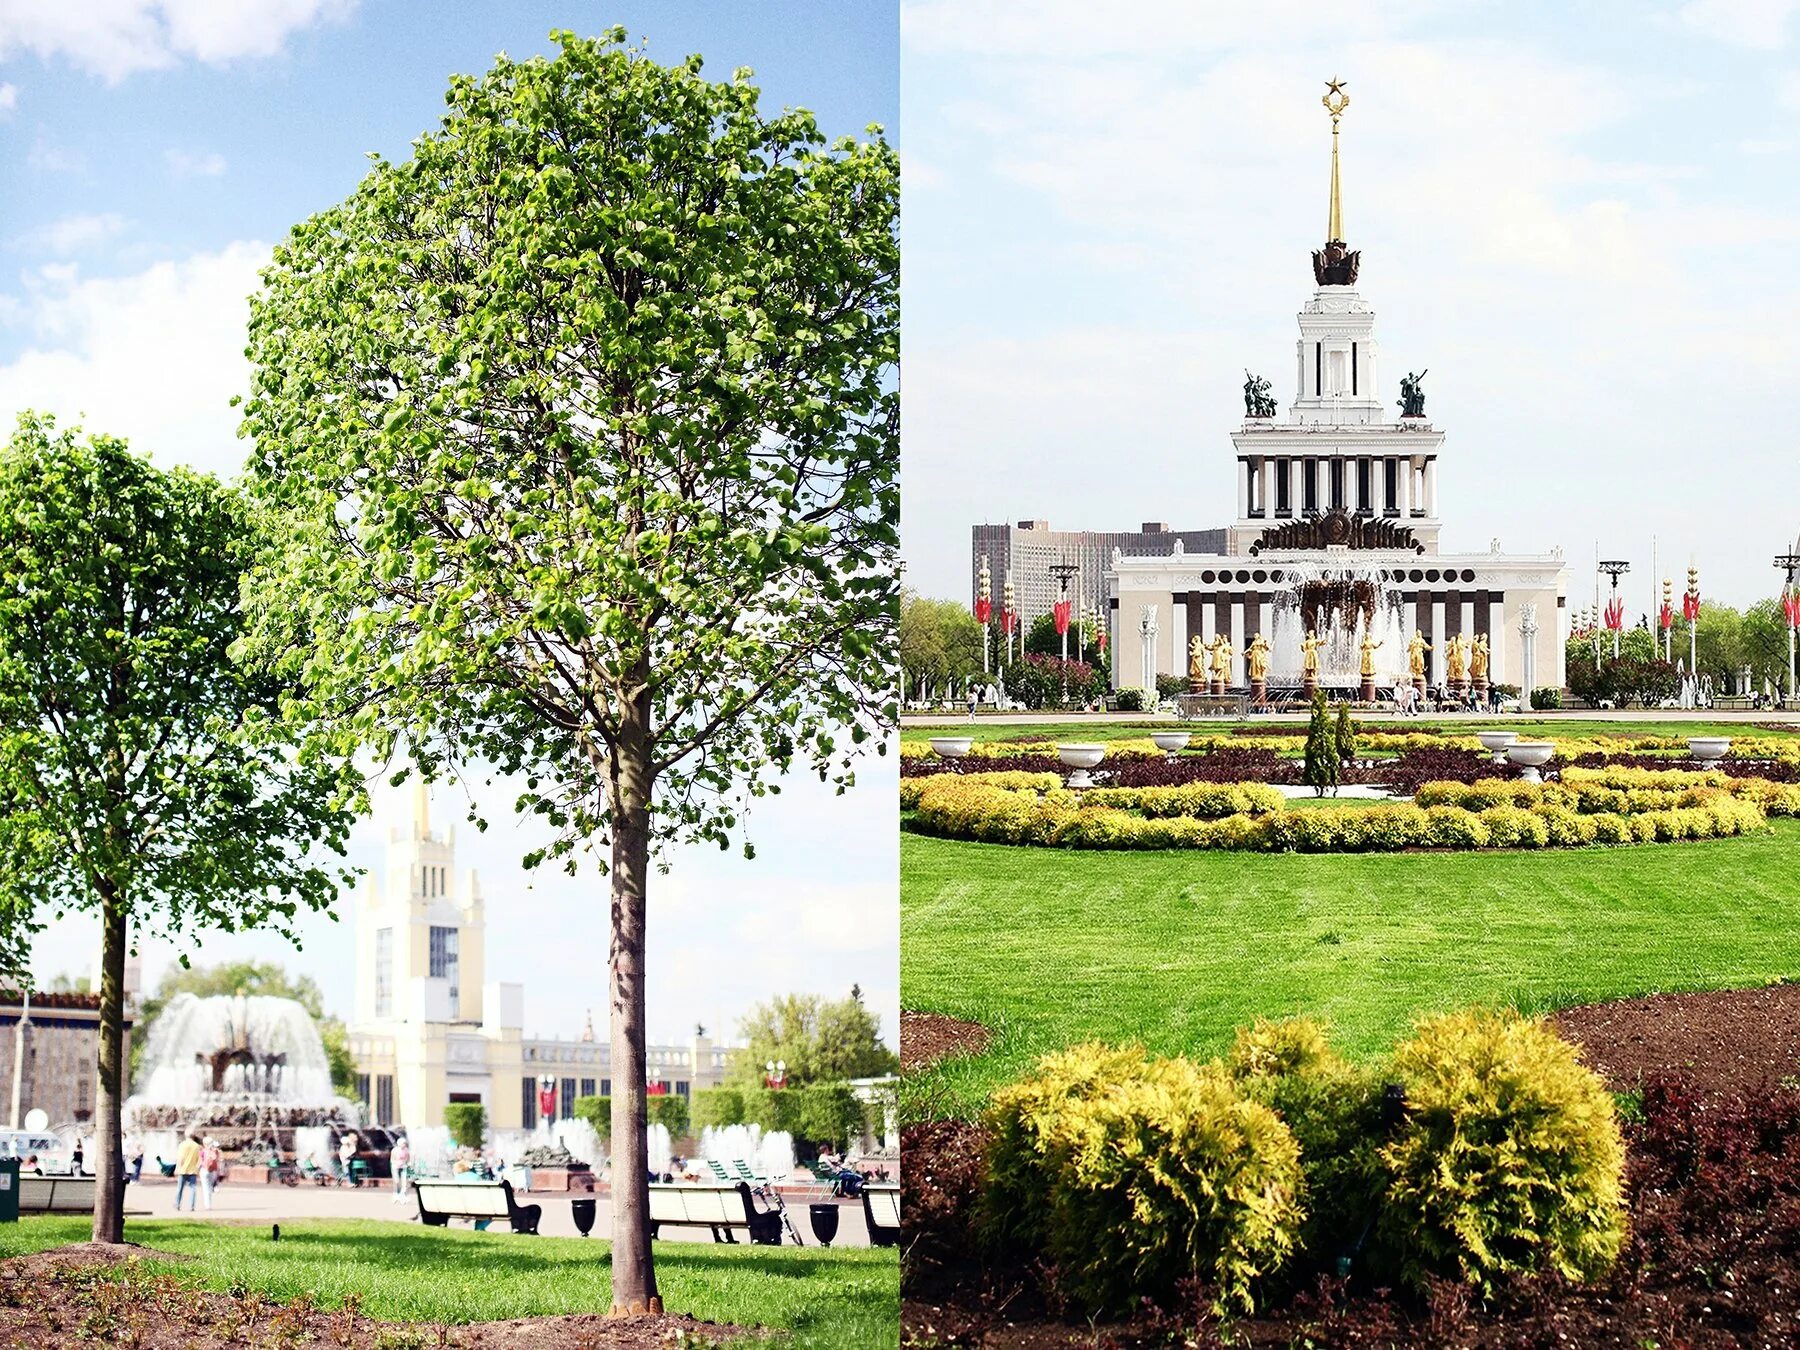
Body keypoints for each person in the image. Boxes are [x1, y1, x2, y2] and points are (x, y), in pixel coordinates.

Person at [174, 1132, 202, 1211]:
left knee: (179, 1189)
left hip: (183, 1170)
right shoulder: (196, 1146)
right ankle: (192, 1206)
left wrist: (178, 1168)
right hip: (193, 1171)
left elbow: (180, 1157)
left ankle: (177, 1204)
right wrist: (197, 1168)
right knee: (193, 1189)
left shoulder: (182, 1145)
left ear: (186, 1136)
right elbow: (199, 1159)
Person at [199, 1137, 221, 1209]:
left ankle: (207, 1205)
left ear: (204, 1143)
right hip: (212, 1170)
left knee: (205, 1188)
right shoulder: (215, 1151)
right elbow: (217, 1159)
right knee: (209, 1187)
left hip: (204, 1170)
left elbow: (200, 1161)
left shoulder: (202, 1151)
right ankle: (209, 1203)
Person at [390, 1135, 411, 1202]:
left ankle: (403, 1193)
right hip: (395, 1167)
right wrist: (395, 1164)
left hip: (403, 1166)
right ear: (399, 1143)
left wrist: (408, 1164)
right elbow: (392, 1159)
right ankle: (396, 1193)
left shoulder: (406, 1150)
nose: (404, 1144)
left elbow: (408, 1157)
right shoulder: (395, 1150)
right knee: (396, 1180)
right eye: (403, 1143)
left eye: (405, 1143)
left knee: (404, 1180)